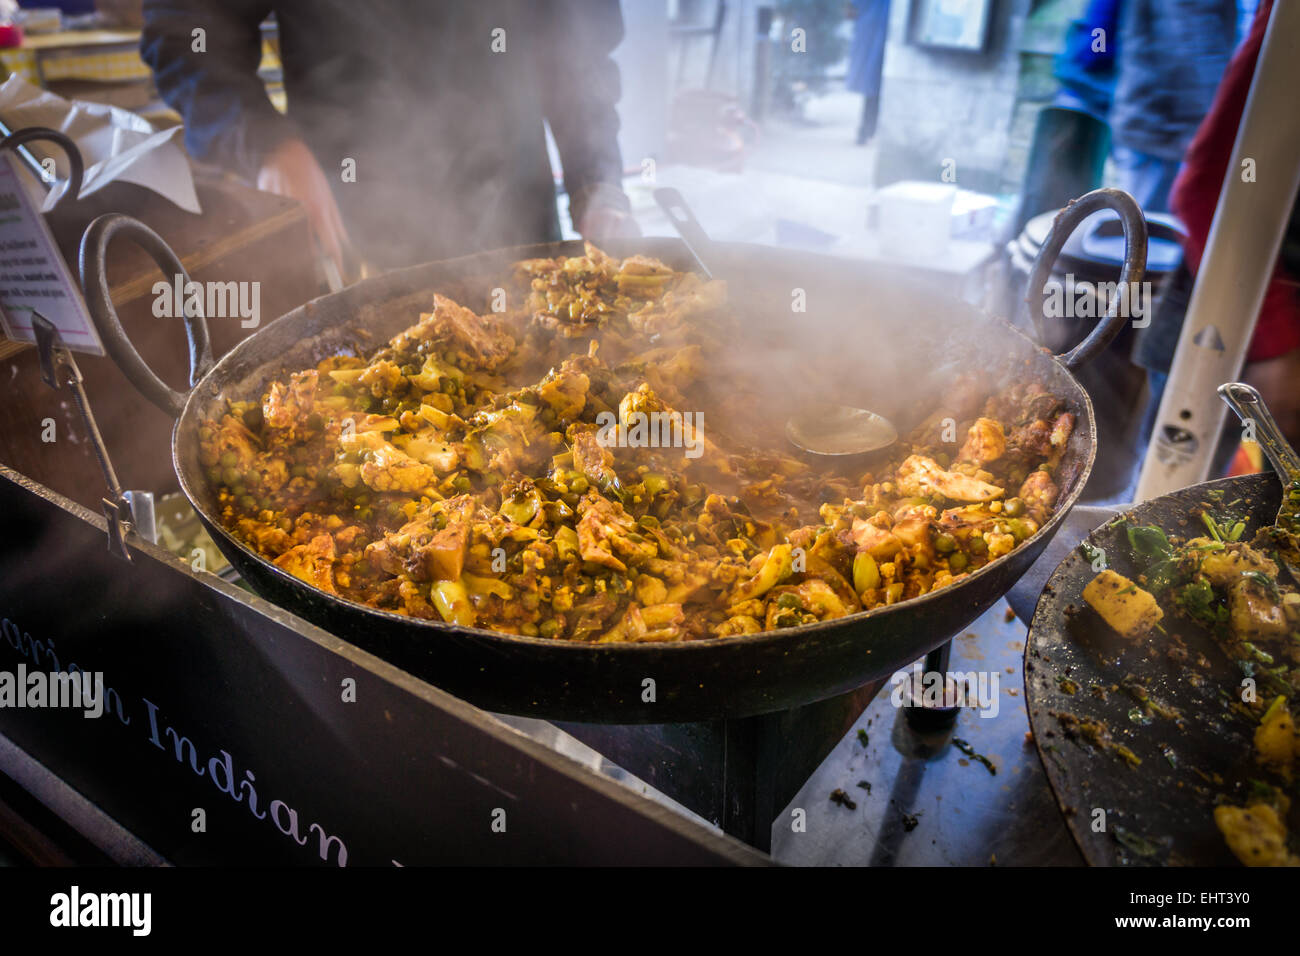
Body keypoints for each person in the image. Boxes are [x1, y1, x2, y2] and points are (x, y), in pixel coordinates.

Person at [141, 1, 637, 276]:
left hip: (515, 211)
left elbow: (578, 47)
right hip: (353, 213)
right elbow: (186, 31)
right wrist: (266, 144)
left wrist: (598, 180)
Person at [1108, 0, 1237, 212]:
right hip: (1166, 128)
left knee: (1141, 224)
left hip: (1148, 118)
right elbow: (1188, 47)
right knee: (1147, 228)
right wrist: (1205, 127)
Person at [846, 0, 889, 145]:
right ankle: (867, 128)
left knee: (872, 84)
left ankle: (866, 129)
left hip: (872, 28)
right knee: (873, 84)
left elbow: (851, 9)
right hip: (875, 29)